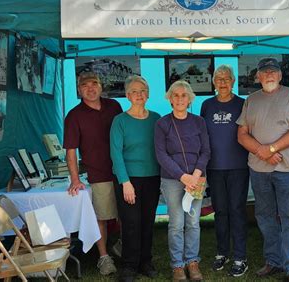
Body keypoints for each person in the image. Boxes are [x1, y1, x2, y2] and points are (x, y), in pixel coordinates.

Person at [237, 58, 289, 282]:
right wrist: (262, 151)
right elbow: (241, 134)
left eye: (273, 71)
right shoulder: (251, 99)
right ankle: (273, 261)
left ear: (280, 75)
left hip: (287, 169)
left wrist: (272, 148)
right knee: (265, 216)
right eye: (264, 72)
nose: (269, 75)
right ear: (257, 76)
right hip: (259, 169)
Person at [63, 72, 122, 276]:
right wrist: (75, 179)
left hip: (122, 170)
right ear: (79, 90)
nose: (90, 88)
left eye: (94, 83)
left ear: (101, 86)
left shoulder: (114, 106)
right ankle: (104, 257)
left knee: (126, 212)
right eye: (85, 85)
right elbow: (70, 150)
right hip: (98, 174)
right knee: (102, 217)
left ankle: (123, 247)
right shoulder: (74, 115)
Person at [154, 80, 211, 281]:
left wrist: (195, 175)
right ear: (170, 98)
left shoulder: (199, 122)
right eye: (175, 95)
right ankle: (177, 265)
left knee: (193, 223)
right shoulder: (162, 124)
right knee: (177, 223)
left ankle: (192, 262)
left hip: (197, 179)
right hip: (172, 180)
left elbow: (206, 151)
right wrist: (183, 176)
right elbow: (161, 155)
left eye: (183, 95)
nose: (179, 99)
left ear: (190, 99)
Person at [110, 76, 161, 282]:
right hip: (128, 180)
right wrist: (125, 182)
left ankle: (145, 262)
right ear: (127, 95)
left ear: (148, 94)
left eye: (143, 91)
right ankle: (129, 265)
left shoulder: (156, 119)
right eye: (134, 91)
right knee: (131, 223)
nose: (139, 94)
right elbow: (116, 153)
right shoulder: (120, 121)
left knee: (148, 222)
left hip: (152, 178)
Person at [200, 65, 249, 277]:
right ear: (213, 82)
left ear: (233, 82)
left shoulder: (243, 104)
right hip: (214, 167)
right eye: (218, 78)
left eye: (226, 78)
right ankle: (222, 252)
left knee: (237, 210)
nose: (222, 82)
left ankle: (240, 256)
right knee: (220, 211)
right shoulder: (206, 105)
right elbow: (201, 136)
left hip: (238, 166)